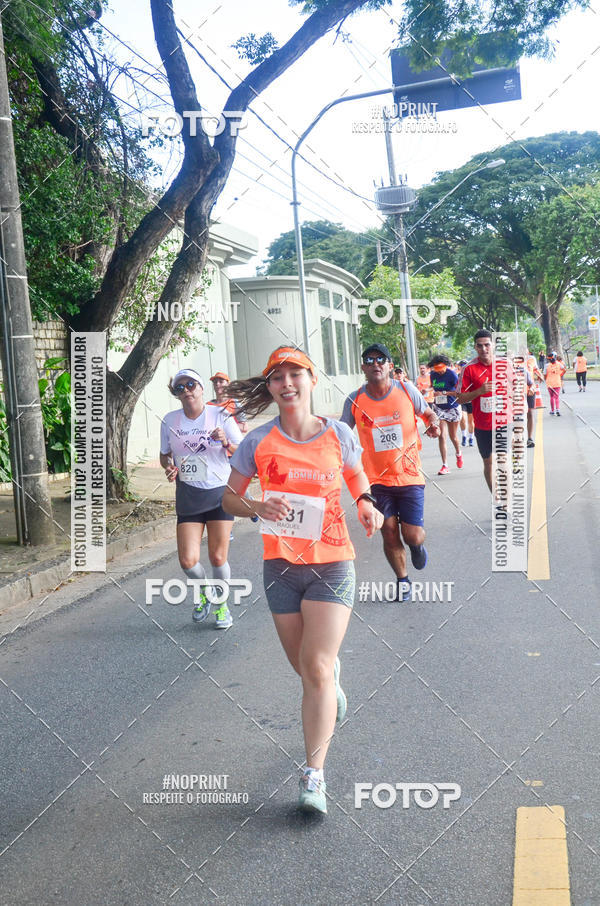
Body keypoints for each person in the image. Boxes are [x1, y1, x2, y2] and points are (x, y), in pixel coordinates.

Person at [222, 346, 383, 815]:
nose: (287, 383)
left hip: (332, 564)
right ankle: (332, 688)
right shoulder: (258, 441)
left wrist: (366, 503)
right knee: (308, 670)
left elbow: (356, 474)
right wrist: (256, 506)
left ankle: (314, 775)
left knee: (313, 666)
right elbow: (229, 498)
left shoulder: (338, 434)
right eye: (277, 377)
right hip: (281, 569)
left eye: (296, 374)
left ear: (312, 380)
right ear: (270, 387)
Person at [340, 342, 441, 603]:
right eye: (369, 360)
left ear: (389, 365)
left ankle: (417, 546)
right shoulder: (355, 400)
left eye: (380, 359)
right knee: (387, 530)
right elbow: (339, 434)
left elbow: (429, 414)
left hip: (408, 476)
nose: (375, 364)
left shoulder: (407, 391)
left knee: (412, 534)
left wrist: (434, 425)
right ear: (363, 366)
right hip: (375, 480)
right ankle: (403, 580)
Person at [160, 368, 242, 629]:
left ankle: (222, 606)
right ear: (176, 394)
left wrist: (226, 441)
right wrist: (168, 466)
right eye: (179, 388)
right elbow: (164, 454)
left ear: (201, 388)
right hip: (188, 495)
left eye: (190, 384)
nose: (186, 391)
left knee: (218, 558)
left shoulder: (220, 414)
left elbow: (242, 449)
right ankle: (206, 592)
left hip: (219, 493)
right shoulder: (170, 421)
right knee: (187, 561)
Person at [457, 330, 497, 493]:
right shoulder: (469, 369)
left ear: (492, 345)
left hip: (504, 422)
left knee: (502, 460)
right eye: (480, 346)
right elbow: (459, 399)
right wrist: (479, 391)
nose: (484, 349)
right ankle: (497, 497)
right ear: (475, 347)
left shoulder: (505, 365)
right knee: (488, 463)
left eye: (487, 345)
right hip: (482, 425)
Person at [427, 354, 463, 475]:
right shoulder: (433, 375)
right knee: (442, 436)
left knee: (453, 437)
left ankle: (458, 453)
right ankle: (445, 465)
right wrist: (427, 390)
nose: (439, 371)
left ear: (445, 365)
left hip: (452, 407)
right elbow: (432, 387)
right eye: (436, 368)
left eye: (440, 368)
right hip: (439, 408)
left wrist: (444, 392)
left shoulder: (452, 374)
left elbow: (459, 392)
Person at [525, 349, 544, 447]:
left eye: (525, 351)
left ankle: (529, 438)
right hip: (517, 391)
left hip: (530, 390)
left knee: (530, 413)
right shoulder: (513, 361)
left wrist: (540, 375)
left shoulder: (532, 359)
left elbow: (535, 369)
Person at [456, 361, 475, 447]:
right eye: (461, 366)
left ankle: (471, 438)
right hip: (462, 401)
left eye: (464, 366)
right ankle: (464, 436)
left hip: (471, 401)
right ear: (459, 368)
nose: (463, 367)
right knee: (462, 419)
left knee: (471, 421)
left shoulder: (472, 375)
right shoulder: (457, 377)